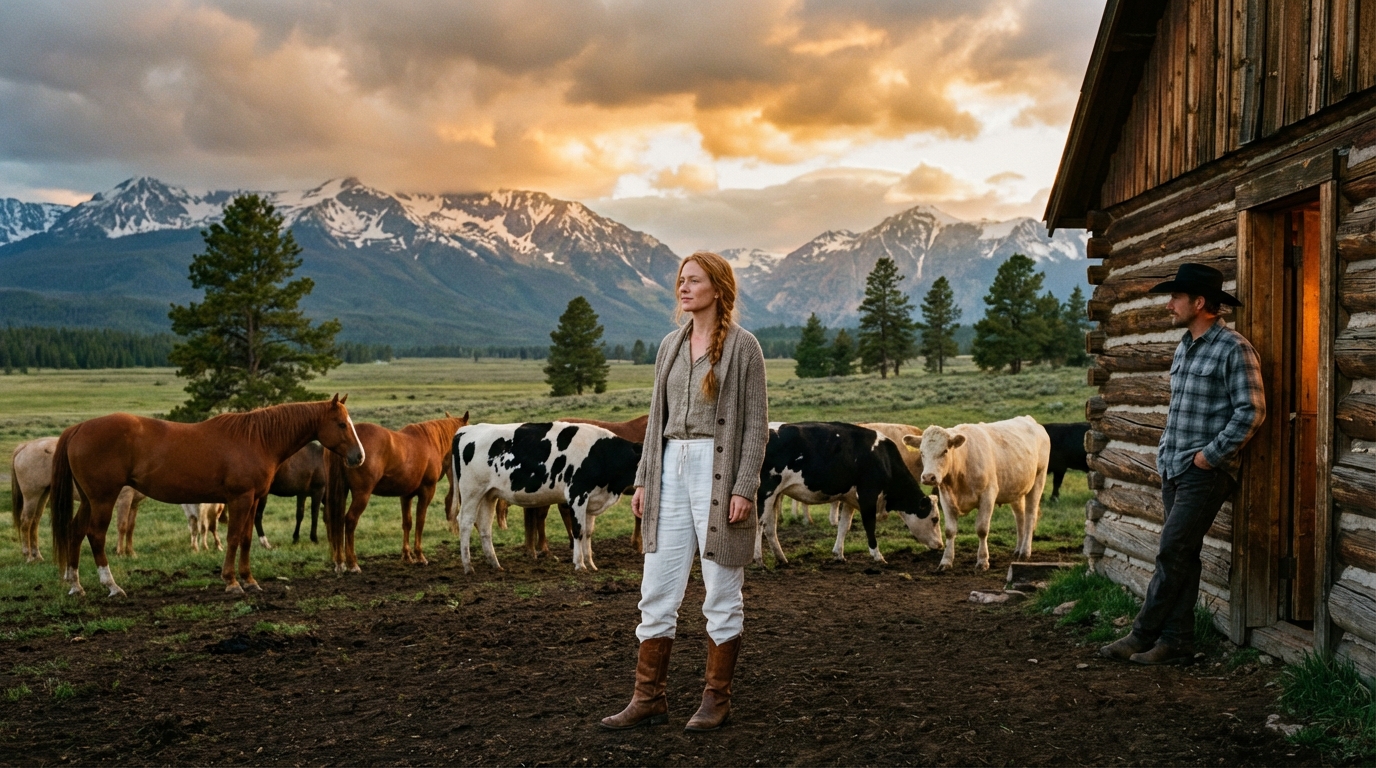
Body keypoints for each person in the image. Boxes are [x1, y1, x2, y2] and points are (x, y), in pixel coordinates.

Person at [600, 251, 769, 731]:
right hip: (669, 468)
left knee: (721, 591)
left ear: (718, 288)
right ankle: (648, 697)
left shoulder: (744, 347)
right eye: (681, 280)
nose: (683, 287)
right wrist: (643, 480)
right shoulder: (670, 346)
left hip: (718, 471)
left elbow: (756, 427)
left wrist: (744, 487)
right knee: (656, 588)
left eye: (694, 280)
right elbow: (657, 421)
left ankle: (716, 699)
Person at [1099, 263, 1265, 665]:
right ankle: (1176, 642)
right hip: (1173, 467)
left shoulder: (1234, 349)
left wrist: (1210, 456)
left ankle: (1142, 634)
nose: (1168, 305)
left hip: (1205, 472)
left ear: (1200, 302)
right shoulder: (1184, 346)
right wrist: (1166, 452)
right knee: (1183, 556)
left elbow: (1252, 410)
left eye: (1175, 297)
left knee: (1171, 549)